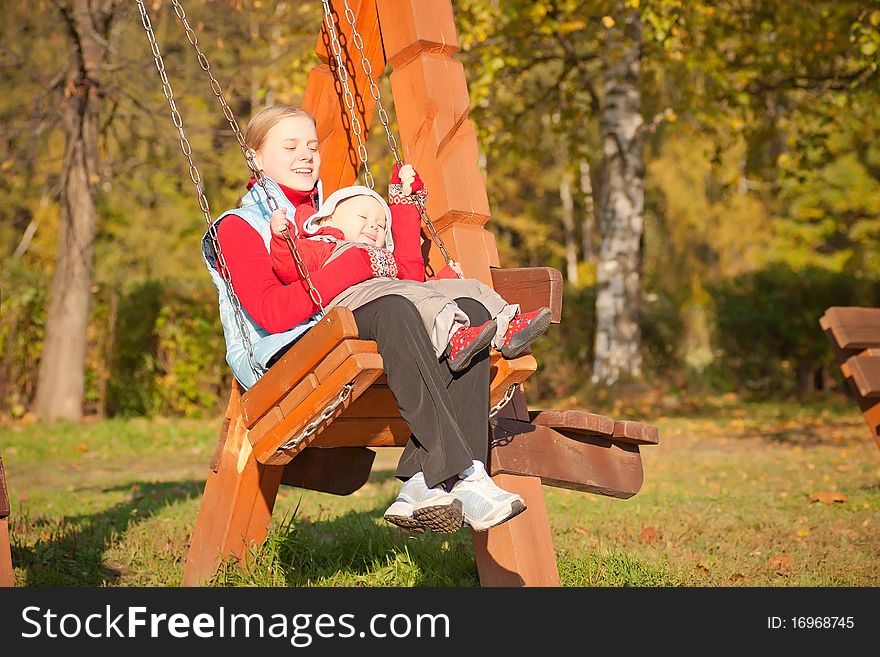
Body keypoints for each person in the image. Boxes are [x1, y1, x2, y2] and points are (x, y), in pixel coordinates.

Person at [202, 104, 527, 534]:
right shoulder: (240, 227)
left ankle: (422, 483)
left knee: (470, 312)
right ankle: (461, 473)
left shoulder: (333, 214)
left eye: (312, 146)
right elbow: (270, 313)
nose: (306, 155)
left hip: (353, 335)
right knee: (394, 309)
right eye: (290, 146)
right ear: (256, 157)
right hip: (287, 354)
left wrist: (404, 208)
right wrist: (353, 264)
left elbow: (406, 281)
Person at [267, 164, 552, 372]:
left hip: (399, 292)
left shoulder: (383, 258)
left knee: (469, 286)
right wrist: (283, 239)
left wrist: (403, 199)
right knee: (413, 294)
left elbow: (410, 271)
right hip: (356, 302)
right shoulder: (323, 244)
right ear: (327, 220)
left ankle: (508, 325)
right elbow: (292, 269)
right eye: (363, 217)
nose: (373, 226)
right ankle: (454, 338)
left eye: (380, 226)